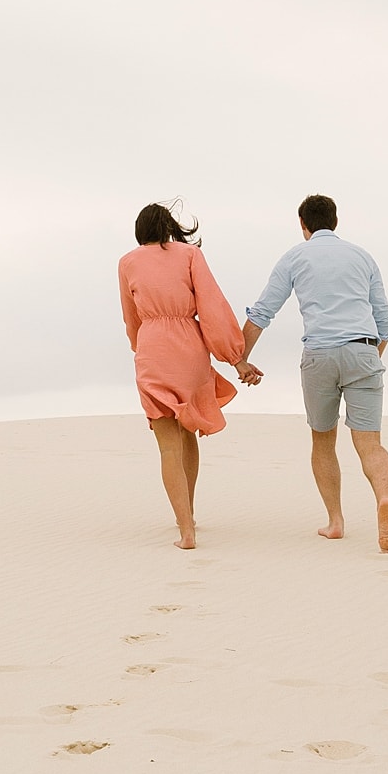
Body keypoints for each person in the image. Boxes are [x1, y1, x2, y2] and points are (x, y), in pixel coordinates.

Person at [237, 194, 388, 552]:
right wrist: (370, 356)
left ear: (303, 225)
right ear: (336, 221)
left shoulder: (295, 257)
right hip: (363, 349)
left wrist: (241, 358)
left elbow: (264, 311)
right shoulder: (362, 257)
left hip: (320, 355)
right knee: (370, 443)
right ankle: (383, 500)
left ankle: (335, 522)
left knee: (323, 440)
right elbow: (384, 320)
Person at [119, 203, 260, 549]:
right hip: (189, 348)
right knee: (187, 433)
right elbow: (212, 306)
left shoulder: (127, 262)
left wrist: (142, 348)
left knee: (167, 445)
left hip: (152, 348)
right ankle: (191, 513)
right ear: (168, 228)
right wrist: (235, 358)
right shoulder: (188, 255)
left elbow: (131, 318)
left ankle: (185, 528)